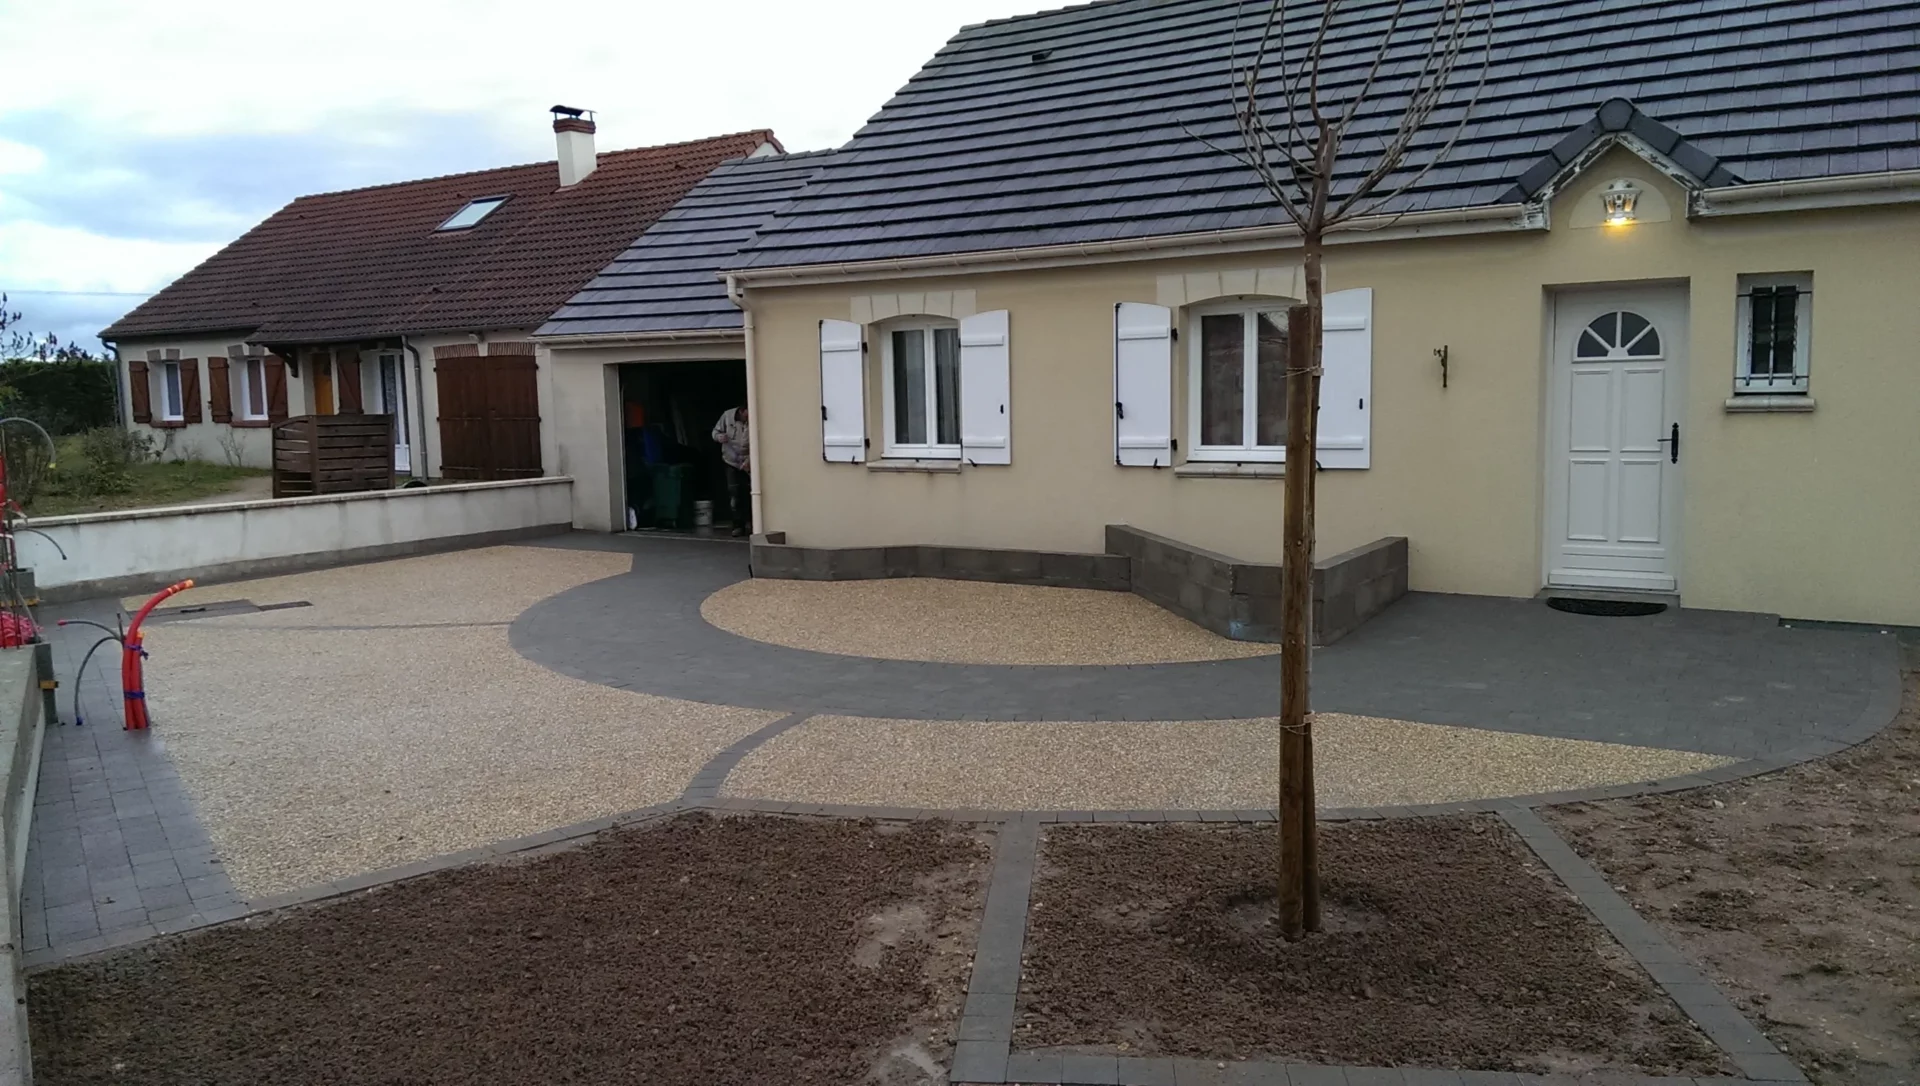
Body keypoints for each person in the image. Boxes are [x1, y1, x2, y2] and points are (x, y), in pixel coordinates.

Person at [711, 403, 751, 536]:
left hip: (749, 461)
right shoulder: (727, 416)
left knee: (751, 493)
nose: (747, 419)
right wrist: (719, 437)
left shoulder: (755, 417)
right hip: (731, 461)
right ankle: (738, 525)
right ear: (741, 411)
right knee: (735, 494)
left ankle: (754, 524)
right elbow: (715, 432)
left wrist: (749, 461)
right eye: (746, 416)